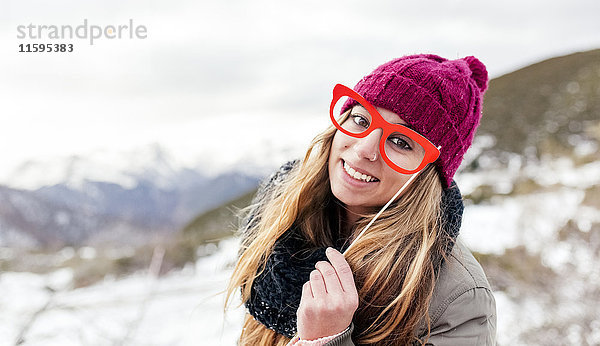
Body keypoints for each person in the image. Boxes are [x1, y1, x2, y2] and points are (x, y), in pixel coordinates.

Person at [225, 54, 497, 345]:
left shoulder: (459, 300)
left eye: (401, 142)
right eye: (361, 119)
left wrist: (327, 340)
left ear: (429, 174)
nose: (365, 148)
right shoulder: (280, 220)